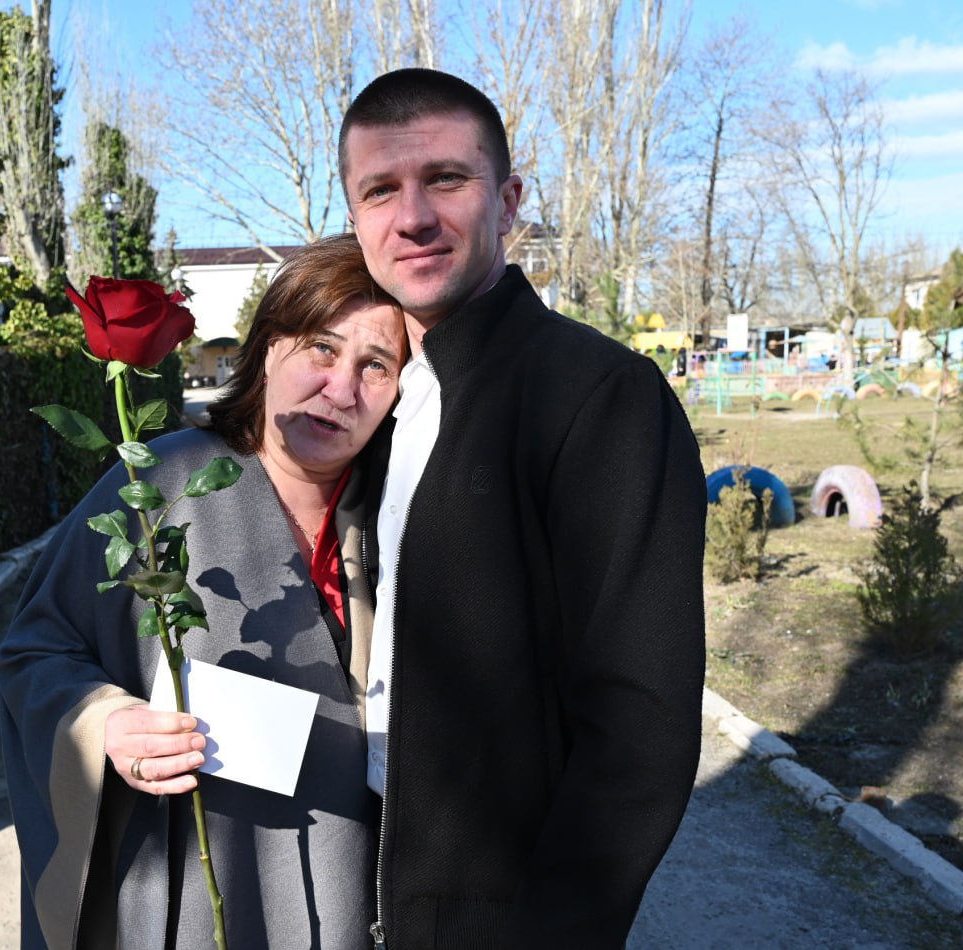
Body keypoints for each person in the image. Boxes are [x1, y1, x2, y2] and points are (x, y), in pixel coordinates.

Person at [339, 69, 707, 947]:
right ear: (355, 219)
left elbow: (641, 721)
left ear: (507, 204)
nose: (413, 216)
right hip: (362, 888)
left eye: (446, 179)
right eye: (380, 190)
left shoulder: (599, 396)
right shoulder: (382, 403)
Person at [0, 233, 407, 949]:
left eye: (376, 365)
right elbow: (35, 651)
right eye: (321, 348)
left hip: (351, 897)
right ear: (270, 347)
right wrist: (105, 723)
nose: (341, 389)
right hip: (198, 892)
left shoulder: (397, 513)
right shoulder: (160, 485)